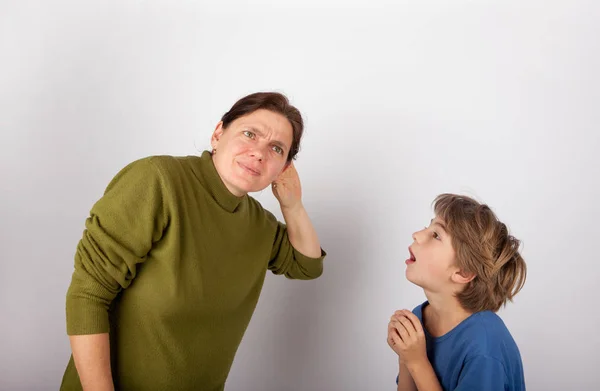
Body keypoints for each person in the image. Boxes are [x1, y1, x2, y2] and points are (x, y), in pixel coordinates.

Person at [60, 92, 327, 391]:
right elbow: (88, 294)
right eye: (249, 134)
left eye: (276, 149)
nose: (259, 153)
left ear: (284, 167)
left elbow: (306, 265)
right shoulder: (158, 181)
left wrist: (292, 205)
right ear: (218, 134)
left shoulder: (259, 225)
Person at [387, 194, 527, 391]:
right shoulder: (419, 318)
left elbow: (417, 364)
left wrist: (417, 362)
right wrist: (405, 358)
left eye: (436, 235)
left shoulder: (485, 346)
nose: (417, 234)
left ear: (464, 272)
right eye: (428, 226)